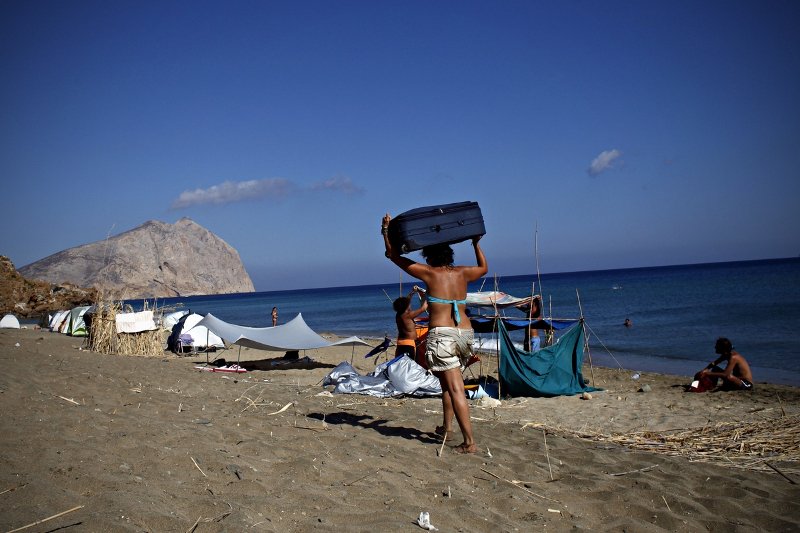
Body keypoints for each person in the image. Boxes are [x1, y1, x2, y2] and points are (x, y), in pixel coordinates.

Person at [382, 213, 488, 454]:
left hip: (443, 336)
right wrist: (476, 244)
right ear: (450, 256)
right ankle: (447, 428)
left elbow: (393, 256)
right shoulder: (463, 273)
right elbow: (484, 268)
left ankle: (469, 442)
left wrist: (386, 232)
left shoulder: (429, 273)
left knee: (455, 388)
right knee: (446, 384)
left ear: (429, 257)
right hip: (465, 335)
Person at [393, 286, 428, 360]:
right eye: (409, 304)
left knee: (400, 363)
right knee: (410, 364)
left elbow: (406, 301)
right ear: (406, 306)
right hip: (409, 344)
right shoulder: (408, 315)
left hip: (400, 343)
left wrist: (412, 292)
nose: (410, 305)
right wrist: (427, 296)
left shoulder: (398, 315)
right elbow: (423, 308)